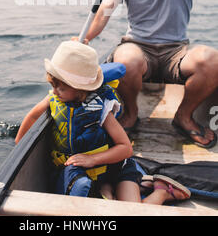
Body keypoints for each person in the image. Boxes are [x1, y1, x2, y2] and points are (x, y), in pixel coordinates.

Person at [79, 0, 218, 148]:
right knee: (126, 61)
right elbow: (107, 8)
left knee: (212, 60)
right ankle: (131, 114)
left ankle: (183, 117)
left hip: (176, 52)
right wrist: (85, 39)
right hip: (138, 48)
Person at [15, 40, 191, 205]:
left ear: (80, 89)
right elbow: (32, 116)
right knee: (101, 197)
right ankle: (111, 191)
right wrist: (18, 145)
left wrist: (92, 160)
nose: (55, 92)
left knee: (132, 212)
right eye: (53, 85)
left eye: (61, 87)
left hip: (116, 167)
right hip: (84, 173)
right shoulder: (54, 97)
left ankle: (161, 192)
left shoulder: (101, 109)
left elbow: (125, 148)